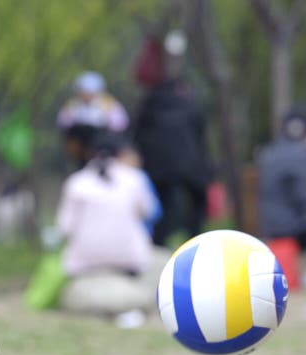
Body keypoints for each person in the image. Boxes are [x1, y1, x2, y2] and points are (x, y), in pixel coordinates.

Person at [52, 131, 168, 325]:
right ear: (120, 153)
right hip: (130, 262)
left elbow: (64, 227)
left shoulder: (76, 182)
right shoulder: (135, 179)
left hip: (83, 263)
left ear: (89, 153)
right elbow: (149, 212)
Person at [132, 66, 212, 246]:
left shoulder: (149, 104)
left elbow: (137, 134)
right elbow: (200, 135)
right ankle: (195, 238)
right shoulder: (190, 104)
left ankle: (159, 241)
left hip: (158, 166)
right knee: (196, 201)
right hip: (190, 164)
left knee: (162, 203)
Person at [256, 105, 306, 250]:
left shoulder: (271, 151)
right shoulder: (299, 154)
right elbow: (305, 199)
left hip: (271, 226)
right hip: (289, 227)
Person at [56, 71, 129, 133]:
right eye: (83, 92)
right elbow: (63, 123)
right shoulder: (72, 105)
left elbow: (120, 123)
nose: (86, 96)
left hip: (102, 137)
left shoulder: (108, 104)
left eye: (90, 93)